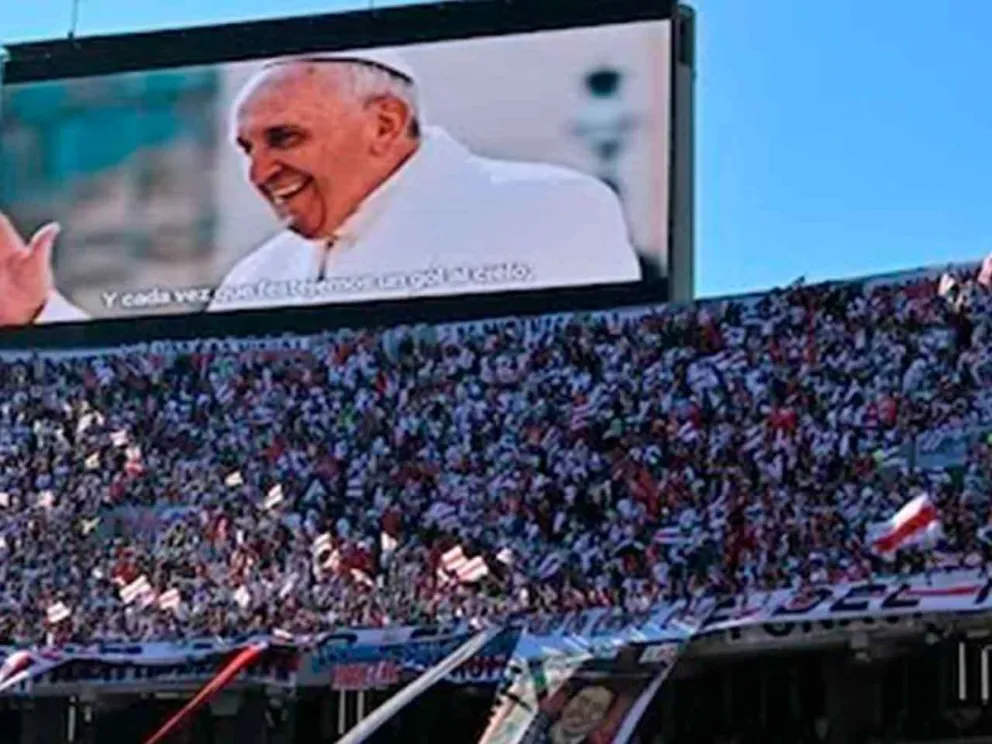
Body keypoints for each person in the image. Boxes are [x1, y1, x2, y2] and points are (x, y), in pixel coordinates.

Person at [0, 50, 641, 325]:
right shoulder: (257, 277)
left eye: (284, 139)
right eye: (246, 149)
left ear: (385, 124)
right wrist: (37, 313)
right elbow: (177, 414)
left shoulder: (549, 208)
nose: (258, 173)